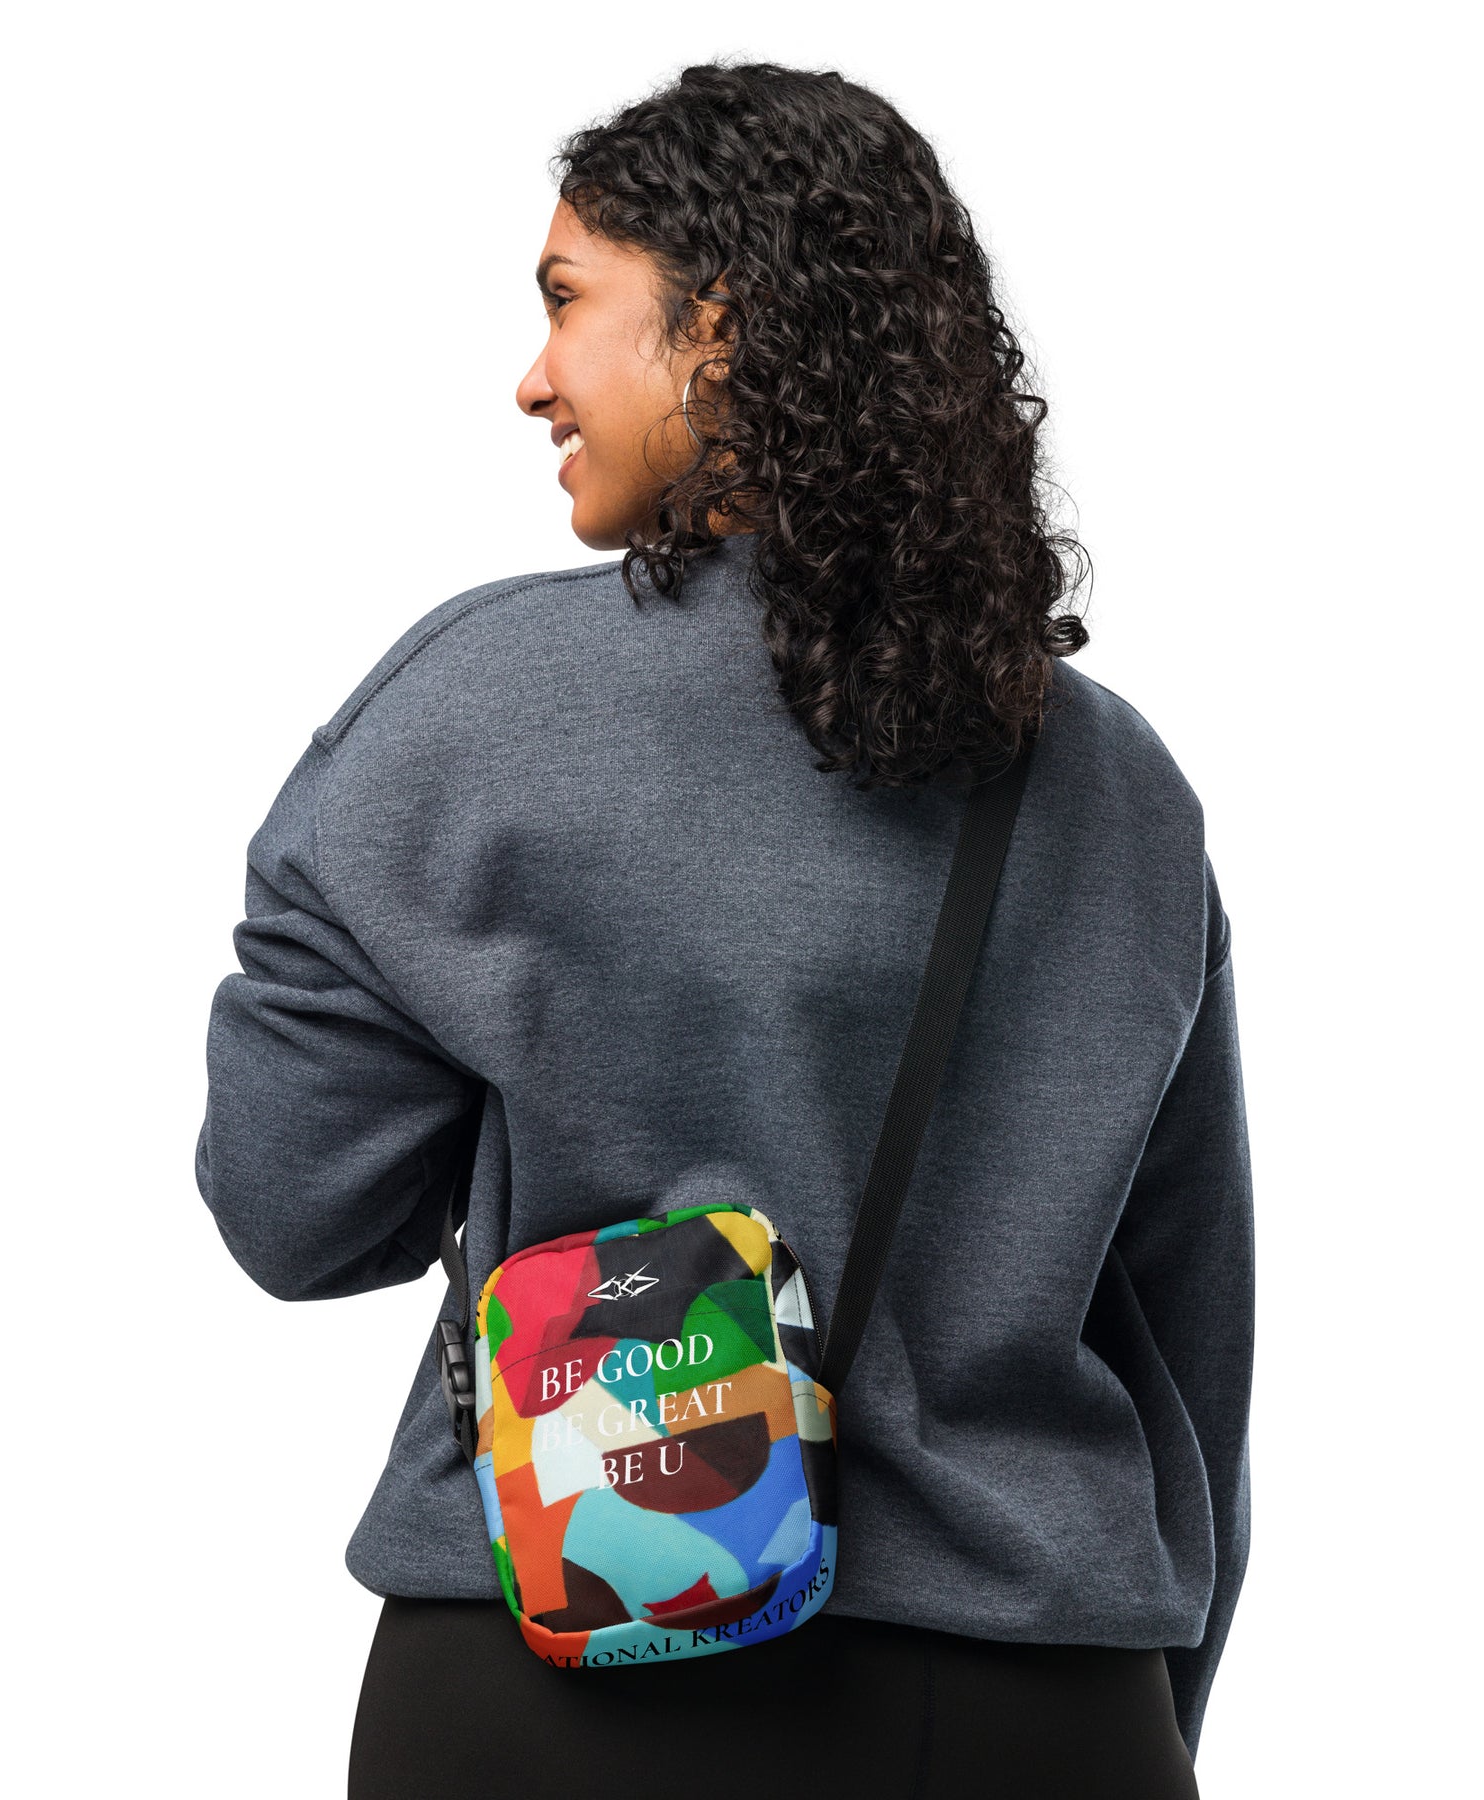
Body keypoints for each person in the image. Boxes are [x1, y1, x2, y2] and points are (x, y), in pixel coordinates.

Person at [195, 60, 1252, 1800]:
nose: (532, 377)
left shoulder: (471, 707)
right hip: (1035, 1695)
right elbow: (1194, 1340)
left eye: (565, 303)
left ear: (722, 329)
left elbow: (293, 1212)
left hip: (560, 1668)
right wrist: (1133, 1704)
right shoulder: (1117, 783)